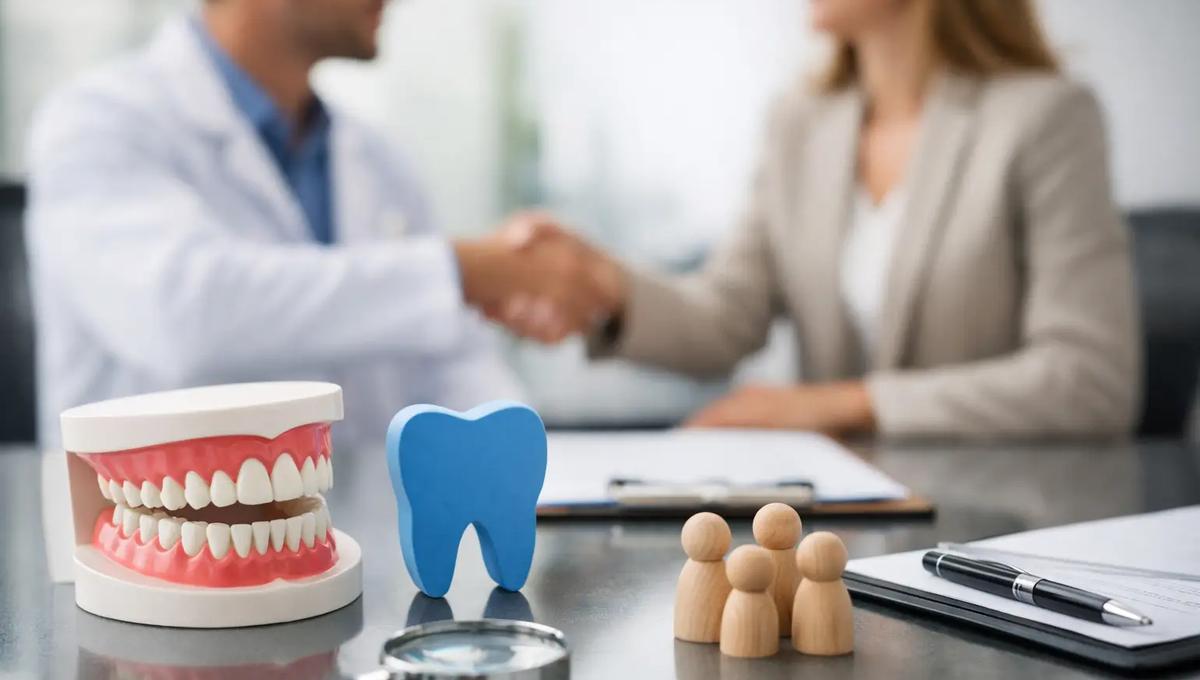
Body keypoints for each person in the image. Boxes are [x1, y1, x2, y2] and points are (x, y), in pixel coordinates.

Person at [495, 0, 1141, 439]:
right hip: (836, 536)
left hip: (1001, 525)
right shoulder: (800, 123)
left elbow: (1092, 379)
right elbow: (726, 318)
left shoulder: (1047, 117)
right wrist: (603, 281)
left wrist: (837, 405)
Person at [25, 0, 617, 450]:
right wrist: (461, 271)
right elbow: (186, 316)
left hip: (364, 562)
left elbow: (455, 362)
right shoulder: (97, 121)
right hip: (149, 565)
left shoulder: (377, 160)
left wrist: (523, 464)